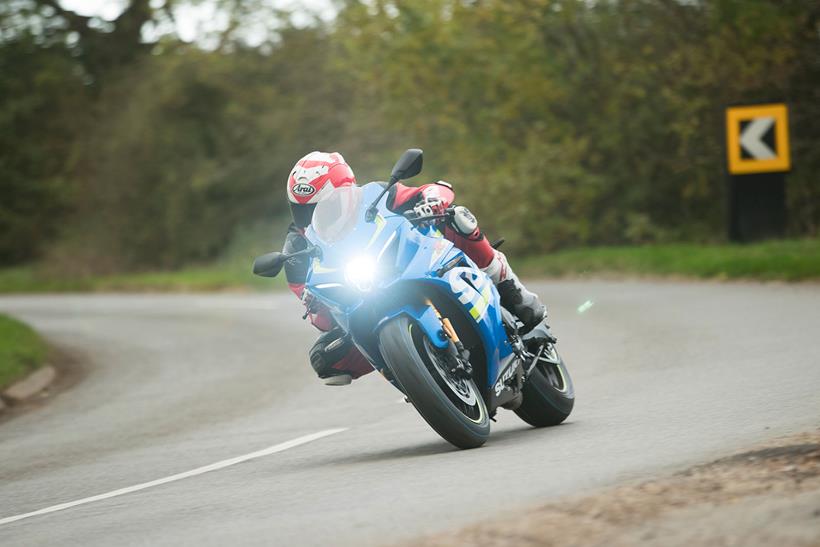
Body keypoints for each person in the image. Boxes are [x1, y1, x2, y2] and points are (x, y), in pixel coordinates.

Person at [282, 151, 547, 385]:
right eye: (302, 211)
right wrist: (314, 303)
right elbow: (313, 306)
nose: (310, 218)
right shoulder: (296, 249)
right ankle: (408, 371)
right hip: (356, 301)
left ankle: (511, 288)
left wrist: (432, 199)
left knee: (457, 217)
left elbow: (431, 190)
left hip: (408, 261)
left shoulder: (375, 195)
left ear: (347, 191)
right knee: (324, 357)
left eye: (321, 206)